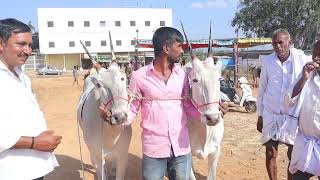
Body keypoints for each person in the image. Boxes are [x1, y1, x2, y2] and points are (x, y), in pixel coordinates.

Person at [100, 27, 227, 179]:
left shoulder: (183, 75)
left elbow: (187, 104)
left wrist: (207, 115)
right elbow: (132, 109)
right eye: (179, 46)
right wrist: (113, 119)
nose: (182, 51)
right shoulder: (139, 76)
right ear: (166, 48)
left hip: (181, 147)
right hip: (154, 149)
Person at [0, 18, 62, 180]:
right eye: (21, 44)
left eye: (29, 45)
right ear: (1, 44)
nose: (28, 50)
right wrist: (35, 142)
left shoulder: (22, 76)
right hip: (11, 171)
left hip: (33, 168)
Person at [256, 29, 310, 180]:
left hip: (293, 115)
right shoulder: (268, 62)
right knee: (270, 152)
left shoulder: (301, 59)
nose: (278, 46)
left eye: (281, 42)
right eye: (274, 43)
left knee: (293, 155)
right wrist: (260, 116)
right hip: (271, 113)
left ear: (290, 43)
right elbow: (262, 90)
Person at [287, 40, 320, 180]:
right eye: (314, 54)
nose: (317, 58)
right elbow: (289, 101)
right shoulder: (306, 75)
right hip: (304, 142)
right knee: (298, 176)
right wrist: (303, 79)